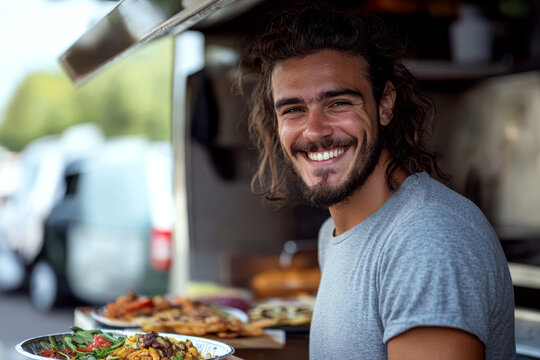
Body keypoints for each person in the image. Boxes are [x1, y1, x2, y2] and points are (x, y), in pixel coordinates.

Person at [235, 4, 516, 360]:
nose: (315, 130)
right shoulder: (334, 234)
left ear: (384, 104)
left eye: (338, 103)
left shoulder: (426, 239)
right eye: (293, 110)